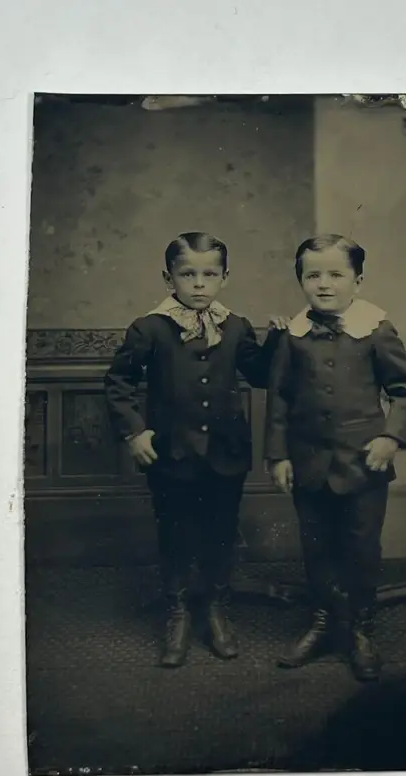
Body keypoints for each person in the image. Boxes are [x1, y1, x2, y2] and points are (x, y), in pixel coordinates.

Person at [105, 231, 286, 668]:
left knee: (221, 534)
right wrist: (135, 432)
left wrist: (276, 340)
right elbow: (118, 382)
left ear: (225, 277)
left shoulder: (236, 325)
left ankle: (216, 611)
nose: (199, 284)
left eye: (210, 274)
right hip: (172, 453)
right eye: (189, 275)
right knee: (176, 533)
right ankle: (179, 612)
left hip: (225, 452)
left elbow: (259, 374)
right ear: (169, 279)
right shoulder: (149, 327)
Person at [265, 234, 406, 681]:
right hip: (309, 461)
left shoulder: (376, 329)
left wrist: (391, 437)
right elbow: (278, 399)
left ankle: (359, 629)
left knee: (360, 547)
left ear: (358, 278)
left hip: (363, 464)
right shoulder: (293, 336)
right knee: (316, 546)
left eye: (336, 274)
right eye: (313, 275)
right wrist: (278, 456)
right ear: (301, 281)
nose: (324, 284)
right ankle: (321, 623)